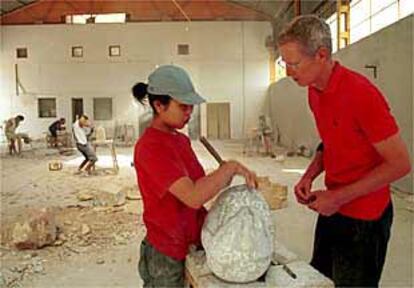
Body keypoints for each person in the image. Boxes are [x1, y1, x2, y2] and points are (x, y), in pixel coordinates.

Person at [277, 15, 411, 287]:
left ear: (321, 55)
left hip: (366, 218)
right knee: (320, 279)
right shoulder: (314, 90)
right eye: (284, 63)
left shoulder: (361, 94)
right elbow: (330, 141)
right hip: (333, 209)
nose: (288, 72)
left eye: (294, 64)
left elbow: (400, 164)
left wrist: (338, 197)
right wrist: (309, 175)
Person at [132, 65, 257, 287]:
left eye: (191, 107)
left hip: (193, 239)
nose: (189, 113)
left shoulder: (180, 140)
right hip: (167, 250)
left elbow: (199, 184)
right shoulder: (150, 147)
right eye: (183, 107)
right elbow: (192, 196)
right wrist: (227, 169)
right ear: (159, 105)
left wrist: (225, 174)